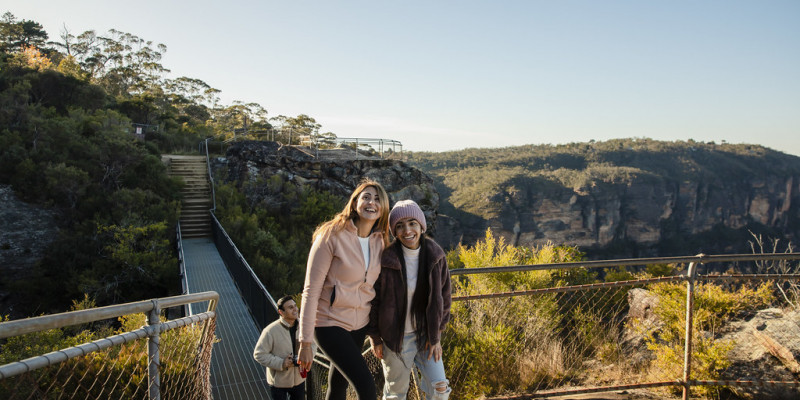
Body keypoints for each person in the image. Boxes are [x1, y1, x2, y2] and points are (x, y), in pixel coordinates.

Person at [297, 178, 391, 400]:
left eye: (378, 199)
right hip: (329, 323)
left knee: (337, 385)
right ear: (355, 202)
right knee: (367, 387)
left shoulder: (380, 241)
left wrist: (375, 335)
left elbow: (377, 291)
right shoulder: (331, 234)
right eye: (366, 197)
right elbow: (310, 290)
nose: (371, 202)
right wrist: (305, 342)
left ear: (383, 207)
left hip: (359, 325)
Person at [368, 200, 452, 400]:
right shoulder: (386, 259)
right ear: (394, 231)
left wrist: (436, 335)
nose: (407, 230)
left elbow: (445, 297)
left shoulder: (436, 256)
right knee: (396, 393)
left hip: (426, 336)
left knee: (440, 387)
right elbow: (373, 301)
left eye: (412, 223)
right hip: (395, 338)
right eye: (400, 225)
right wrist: (375, 337)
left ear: (421, 226)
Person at [253, 295, 312, 400]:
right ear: (281, 312)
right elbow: (259, 354)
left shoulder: (304, 327)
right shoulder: (270, 331)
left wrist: (307, 356)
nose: (295, 309)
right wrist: (281, 363)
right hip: (278, 383)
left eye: (295, 306)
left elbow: (313, 344)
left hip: (299, 380)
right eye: (290, 307)